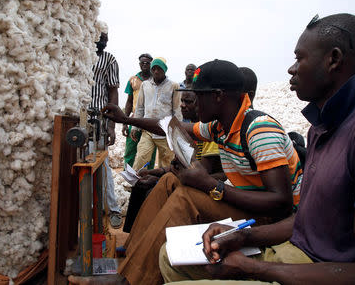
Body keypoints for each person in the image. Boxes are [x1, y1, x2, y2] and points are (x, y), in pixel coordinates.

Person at [158, 13, 355, 284]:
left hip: (319, 268)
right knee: (170, 257)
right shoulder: (322, 126)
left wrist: (251, 268)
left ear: (333, 59)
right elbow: (304, 221)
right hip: (292, 247)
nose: (291, 69)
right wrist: (242, 236)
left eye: (300, 58)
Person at [94, 60, 303, 285]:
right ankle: (130, 260)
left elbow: (281, 203)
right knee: (167, 182)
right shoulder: (220, 126)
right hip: (250, 207)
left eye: (199, 96)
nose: (194, 104)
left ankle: (131, 280)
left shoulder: (259, 130)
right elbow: (170, 126)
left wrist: (211, 185)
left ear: (218, 96)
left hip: (273, 222)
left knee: (186, 198)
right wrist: (126, 119)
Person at [122, 90, 224, 233]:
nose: (182, 105)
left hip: (203, 184)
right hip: (186, 177)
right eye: (182, 101)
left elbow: (202, 174)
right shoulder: (186, 130)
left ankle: (147, 237)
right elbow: (175, 166)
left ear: (199, 104)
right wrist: (152, 172)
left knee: (151, 191)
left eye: (188, 102)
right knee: (141, 184)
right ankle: (133, 237)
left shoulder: (208, 131)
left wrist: (160, 178)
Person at [90, 30, 122, 228]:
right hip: (79, 119)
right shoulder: (82, 55)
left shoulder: (109, 60)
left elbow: (113, 92)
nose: (103, 42)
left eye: (106, 39)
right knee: (83, 167)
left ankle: (114, 209)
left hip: (100, 119)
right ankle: (91, 208)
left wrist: (111, 125)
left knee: (103, 165)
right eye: (100, 38)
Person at [130, 57, 182, 170]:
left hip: (165, 132)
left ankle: (164, 185)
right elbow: (139, 108)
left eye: (159, 69)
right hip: (147, 130)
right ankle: (135, 184)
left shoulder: (173, 86)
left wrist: (177, 132)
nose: (156, 71)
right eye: (154, 69)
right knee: (141, 157)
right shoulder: (145, 85)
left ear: (165, 70)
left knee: (166, 162)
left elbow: (177, 110)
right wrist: (135, 127)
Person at [122, 53, 156, 169]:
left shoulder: (156, 79)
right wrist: (125, 122)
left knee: (150, 151)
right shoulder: (133, 80)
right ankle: (127, 176)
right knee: (130, 150)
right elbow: (129, 102)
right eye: (142, 62)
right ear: (139, 64)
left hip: (151, 120)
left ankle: (149, 177)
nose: (145, 64)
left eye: (147, 62)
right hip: (135, 119)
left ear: (151, 64)